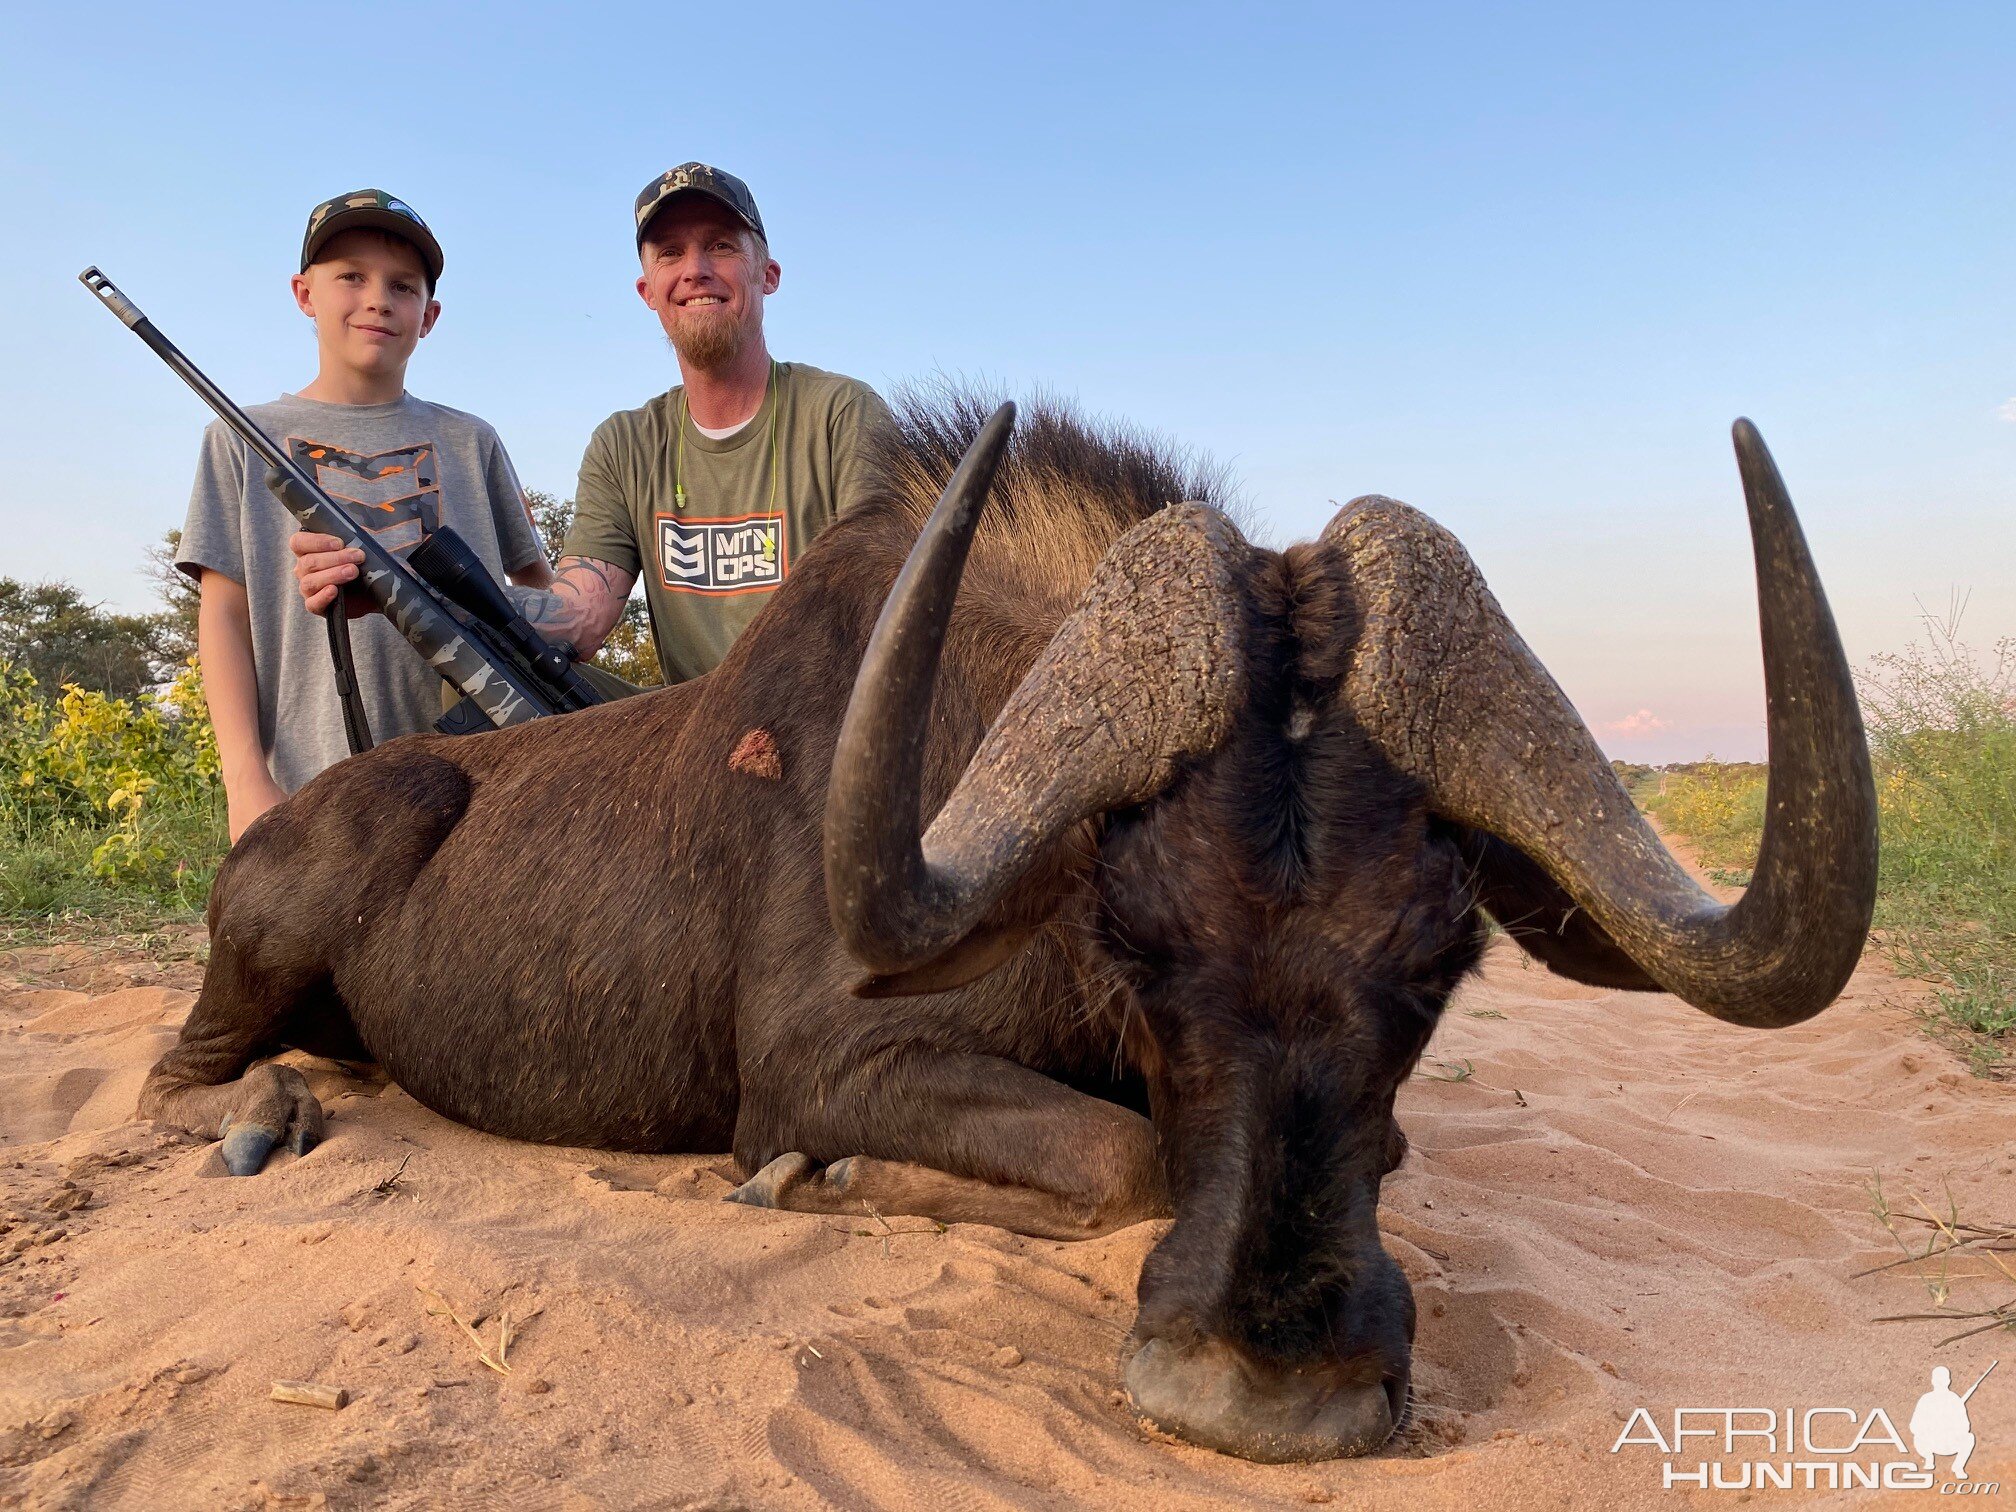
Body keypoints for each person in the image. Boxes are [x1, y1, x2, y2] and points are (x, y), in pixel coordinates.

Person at [295, 163, 894, 681]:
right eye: (670, 254)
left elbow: (886, 612)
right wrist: (399, 589)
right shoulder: (624, 444)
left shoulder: (842, 414)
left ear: (768, 274)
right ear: (647, 290)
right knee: (476, 692)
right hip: (702, 734)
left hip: (832, 723)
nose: (696, 270)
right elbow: (577, 621)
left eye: (721, 246)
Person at [180, 191, 553, 840]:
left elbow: (536, 592)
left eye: (402, 286)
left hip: (482, 795)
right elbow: (223, 614)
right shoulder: (238, 438)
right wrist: (245, 781)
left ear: (429, 315)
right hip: (308, 791)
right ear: (304, 294)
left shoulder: (474, 441)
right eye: (350, 276)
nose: (378, 298)